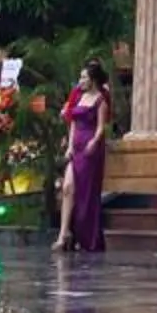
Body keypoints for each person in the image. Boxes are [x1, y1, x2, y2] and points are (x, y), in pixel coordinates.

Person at [58, 58, 111, 254]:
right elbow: (72, 123)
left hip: (90, 148)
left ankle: (87, 237)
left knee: (87, 193)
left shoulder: (101, 100)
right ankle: (65, 233)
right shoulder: (79, 97)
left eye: (83, 77)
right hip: (76, 145)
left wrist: (94, 142)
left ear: (93, 80)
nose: (80, 81)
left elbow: (101, 127)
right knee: (67, 187)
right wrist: (70, 146)